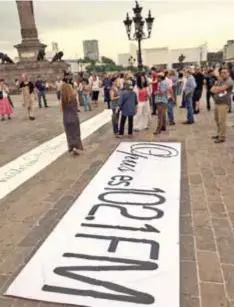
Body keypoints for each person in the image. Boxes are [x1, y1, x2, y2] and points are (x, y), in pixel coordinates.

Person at [211, 68, 234, 143]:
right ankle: (219, 134)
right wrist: (217, 88)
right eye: (222, 72)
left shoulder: (229, 81)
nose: (223, 74)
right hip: (217, 102)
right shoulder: (221, 80)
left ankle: (222, 137)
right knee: (217, 119)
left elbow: (220, 89)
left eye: (225, 72)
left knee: (222, 121)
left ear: (228, 73)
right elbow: (212, 89)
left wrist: (217, 88)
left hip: (224, 103)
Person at [60, 82, 83, 155]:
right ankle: (76, 147)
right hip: (74, 117)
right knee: (76, 133)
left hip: (66, 118)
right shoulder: (74, 96)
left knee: (69, 134)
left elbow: (61, 109)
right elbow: (78, 107)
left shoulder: (63, 98)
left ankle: (72, 148)